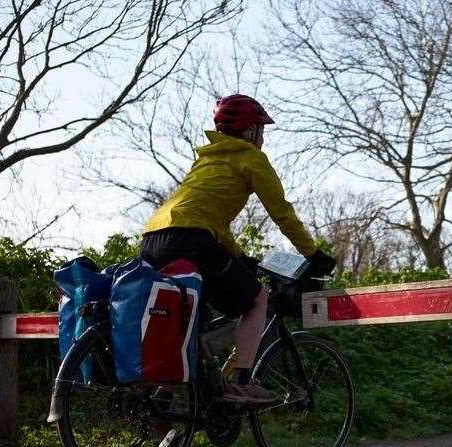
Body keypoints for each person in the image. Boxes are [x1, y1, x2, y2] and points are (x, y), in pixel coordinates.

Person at [139, 94, 335, 404]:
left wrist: (237, 255)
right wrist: (313, 253)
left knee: (190, 321)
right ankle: (242, 380)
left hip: (152, 238)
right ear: (251, 131)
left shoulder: (207, 158)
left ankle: (167, 403)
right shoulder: (251, 158)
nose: (263, 137)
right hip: (191, 239)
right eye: (261, 129)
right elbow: (281, 212)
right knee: (256, 300)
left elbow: (209, 216)